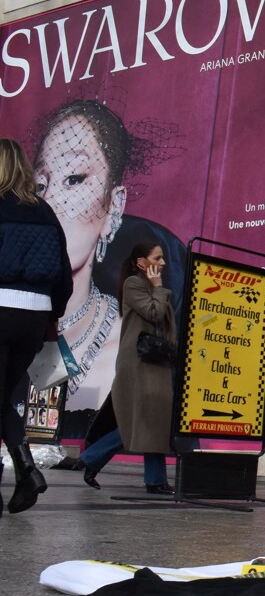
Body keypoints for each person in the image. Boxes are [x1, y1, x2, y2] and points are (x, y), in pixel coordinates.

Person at [31, 100, 185, 436]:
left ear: (114, 205)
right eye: (41, 185)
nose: (51, 203)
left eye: (74, 178)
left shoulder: (128, 340)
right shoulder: (17, 333)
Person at [0, 139, 73, 516]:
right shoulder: (45, 212)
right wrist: (51, 314)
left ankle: (25, 468)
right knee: (4, 396)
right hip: (33, 316)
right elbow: (63, 275)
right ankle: (24, 470)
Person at [80, 241, 177, 493]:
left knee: (151, 422)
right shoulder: (134, 284)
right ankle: (92, 459)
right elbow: (153, 313)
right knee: (142, 422)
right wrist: (158, 288)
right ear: (141, 262)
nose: (163, 263)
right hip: (139, 363)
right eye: (157, 257)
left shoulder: (151, 286)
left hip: (156, 361)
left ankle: (153, 479)